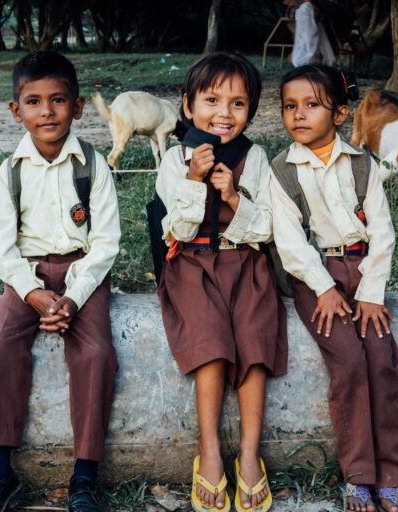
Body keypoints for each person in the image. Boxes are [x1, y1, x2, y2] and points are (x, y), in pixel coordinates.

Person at [0, 50, 121, 512]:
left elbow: (106, 243)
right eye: (33, 102)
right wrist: (32, 293)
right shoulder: (10, 170)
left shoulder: (93, 165)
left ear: (77, 107)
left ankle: (84, 478)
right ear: (17, 111)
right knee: (0, 343)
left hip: (82, 271)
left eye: (58, 101)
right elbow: (1, 245)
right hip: (27, 273)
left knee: (96, 353)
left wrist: (72, 299)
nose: (47, 111)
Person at [269, 64, 398, 512]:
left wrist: (371, 293)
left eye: (312, 105)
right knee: (348, 361)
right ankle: (358, 475)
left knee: (382, 359)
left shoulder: (363, 165)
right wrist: (324, 287)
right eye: (290, 106)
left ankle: (391, 474)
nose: (299, 115)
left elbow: (382, 233)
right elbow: (290, 243)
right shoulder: (281, 171)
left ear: (341, 114)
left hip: (363, 268)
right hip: (315, 276)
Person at [155, 51, 287, 512]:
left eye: (237, 103)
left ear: (250, 111)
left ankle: (249, 455)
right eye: (211, 100)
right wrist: (194, 180)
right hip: (191, 264)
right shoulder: (175, 158)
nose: (223, 113)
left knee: (254, 341)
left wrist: (232, 194)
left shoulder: (257, 157)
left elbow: (266, 228)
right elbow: (177, 229)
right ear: (189, 106)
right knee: (210, 341)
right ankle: (209, 450)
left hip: (246, 264)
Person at [284, 0, 336, 66]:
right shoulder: (306, 9)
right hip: (309, 59)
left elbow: (309, 37)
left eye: (288, 2)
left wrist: (301, 58)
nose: (288, 4)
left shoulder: (305, 9)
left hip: (306, 61)